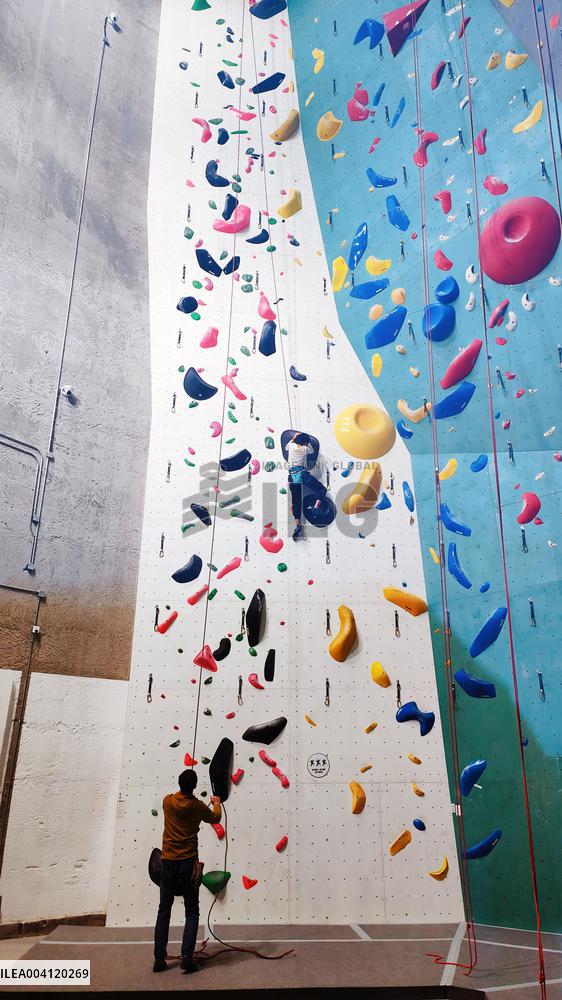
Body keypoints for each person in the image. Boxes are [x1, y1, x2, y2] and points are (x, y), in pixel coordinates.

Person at [153, 769, 221, 974]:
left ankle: (159, 959)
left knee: (164, 910)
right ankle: (186, 957)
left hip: (168, 863)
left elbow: (179, 807)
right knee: (191, 911)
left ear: (179, 783)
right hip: (188, 864)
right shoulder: (198, 807)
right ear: (194, 786)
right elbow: (216, 818)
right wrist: (216, 802)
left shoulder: (167, 801)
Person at [287, 432, 326, 540]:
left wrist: (294, 437)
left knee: (296, 502)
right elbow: (312, 450)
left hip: (293, 477)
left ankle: (298, 525)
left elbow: (287, 446)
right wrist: (306, 443)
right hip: (303, 475)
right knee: (322, 489)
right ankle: (316, 507)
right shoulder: (305, 449)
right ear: (305, 443)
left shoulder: (291, 446)